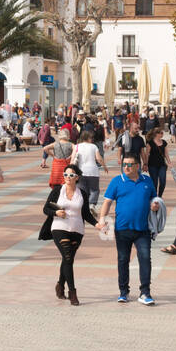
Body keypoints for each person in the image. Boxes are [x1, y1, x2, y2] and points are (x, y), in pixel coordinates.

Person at [96, 153, 160, 304]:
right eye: (124, 164)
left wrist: (155, 205)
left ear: (138, 166)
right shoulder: (117, 181)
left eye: (130, 164)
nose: (126, 167)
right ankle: (123, 292)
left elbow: (154, 198)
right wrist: (101, 220)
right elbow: (107, 202)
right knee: (123, 260)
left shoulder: (147, 181)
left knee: (145, 259)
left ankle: (145, 293)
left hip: (142, 229)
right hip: (122, 229)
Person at [39, 162, 101, 306]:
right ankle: (72, 292)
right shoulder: (57, 190)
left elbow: (86, 214)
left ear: (77, 177)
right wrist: (56, 212)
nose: (67, 177)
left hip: (77, 230)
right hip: (59, 228)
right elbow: (45, 209)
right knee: (67, 256)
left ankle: (60, 285)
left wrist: (97, 224)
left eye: (71, 175)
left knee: (68, 259)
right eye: (65, 174)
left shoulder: (82, 194)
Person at [71, 129, 107, 208]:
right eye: (91, 138)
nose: (92, 139)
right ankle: (92, 204)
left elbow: (72, 158)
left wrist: (70, 169)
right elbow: (99, 158)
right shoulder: (93, 146)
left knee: (83, 191)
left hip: (80, 172)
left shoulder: (77, 146)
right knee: (94, 190)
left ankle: (84, 206)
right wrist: (104, 166)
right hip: (93, 172)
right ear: (88, 138)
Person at [145, 125, 172, 198]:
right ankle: (154, 197)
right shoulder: (150, 143)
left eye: (162, 133)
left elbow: (166, 153)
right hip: (152, 165)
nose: (162, 134)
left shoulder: (164, 142)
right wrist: (145, 164)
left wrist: (169, 162)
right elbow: (147, 155)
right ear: (156, 134)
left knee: (163, 182)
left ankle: (159, 196)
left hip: (162, 165)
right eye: (161, 133)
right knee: (154, 183)